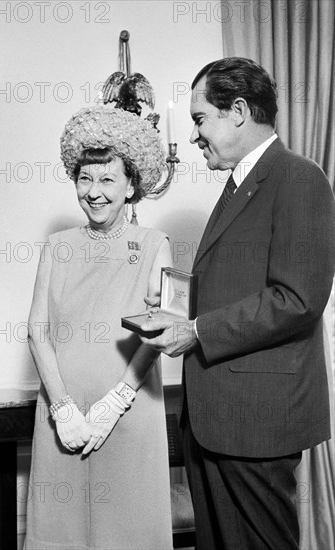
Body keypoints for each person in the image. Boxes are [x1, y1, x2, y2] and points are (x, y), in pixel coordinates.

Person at [140, 57, 335, 549]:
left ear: (240, 111)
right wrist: (175, 307)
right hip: (215, 420)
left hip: (257, 421)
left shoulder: (299, 179)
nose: (193, 136)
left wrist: (197, 331)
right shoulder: (238, 184)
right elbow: (239, 287)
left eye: (200, 118)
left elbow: (296, 299)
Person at [24, 106, 173, 550]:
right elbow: (37, 330)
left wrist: (117, 400)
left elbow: (159, 331)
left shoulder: (154, 245)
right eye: (85, 179)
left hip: (130, 414)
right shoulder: (58, 246)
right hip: (61, 417)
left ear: (131, 187)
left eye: (107, 179)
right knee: (61, 534)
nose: (94, 192)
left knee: (128, 533)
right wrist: (62, 409)